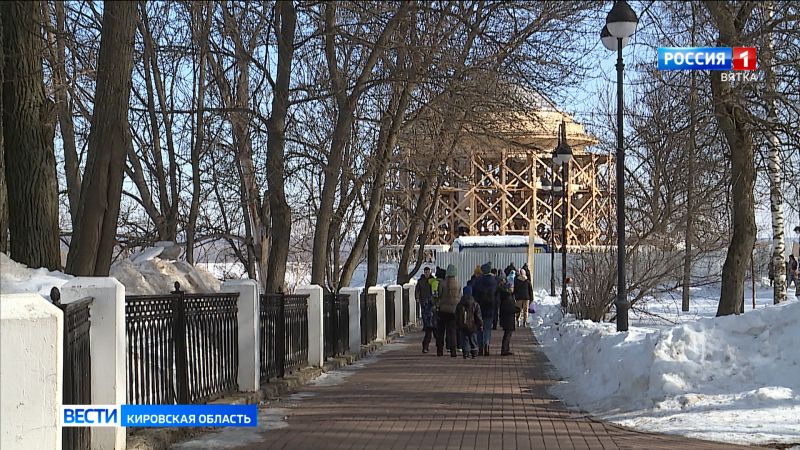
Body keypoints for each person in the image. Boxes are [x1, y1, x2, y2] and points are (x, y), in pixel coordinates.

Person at [472, 262, 498, 356]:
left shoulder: (478, 281)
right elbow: (497, 294)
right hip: (490, 307)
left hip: (479, 307)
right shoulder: (494, 281)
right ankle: (487, 344)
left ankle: (480, 347)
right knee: (487, 328)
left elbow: (473, 293)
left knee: (479, 328)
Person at [436, 264, 460, 357]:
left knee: (441, 331)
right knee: (452, 331)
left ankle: (440, 351)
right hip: (454, 311)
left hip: (443, 310)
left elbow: (439, 295)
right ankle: (453, 351)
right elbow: (459, 296)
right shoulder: (458, 284)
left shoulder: (442, 283)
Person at [456, 285, 483, 359]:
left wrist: (457, 324)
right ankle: (474, 352)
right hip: (472, 325)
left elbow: (457, 315)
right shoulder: (475, 304)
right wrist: (480, 324)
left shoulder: (460, 304)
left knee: (464, 339)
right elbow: (478, 315)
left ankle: (466, 353)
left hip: (463, 325)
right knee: (473, 339)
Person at [415, 267, 436, 353]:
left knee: (431, 320)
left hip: (431, 303)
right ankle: (426, 325)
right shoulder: (421, 281)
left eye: (428, 272)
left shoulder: (433, 280)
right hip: (423, 301)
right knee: (424, 315)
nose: (427, 273)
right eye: (425, 272)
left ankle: (429, 327)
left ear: (430, 272)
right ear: (424, 272)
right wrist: (417, 297)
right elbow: (417, 290)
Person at [498, 278, 520, 356]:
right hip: (508, 319)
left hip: (507, 318)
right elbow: (508, 308)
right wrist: (516, 309)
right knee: (507, 334)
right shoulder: (507, 297)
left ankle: (506, 348)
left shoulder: (507, 296)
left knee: (508, 334)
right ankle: (504, 349)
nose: (512, 289)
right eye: (511, 288)